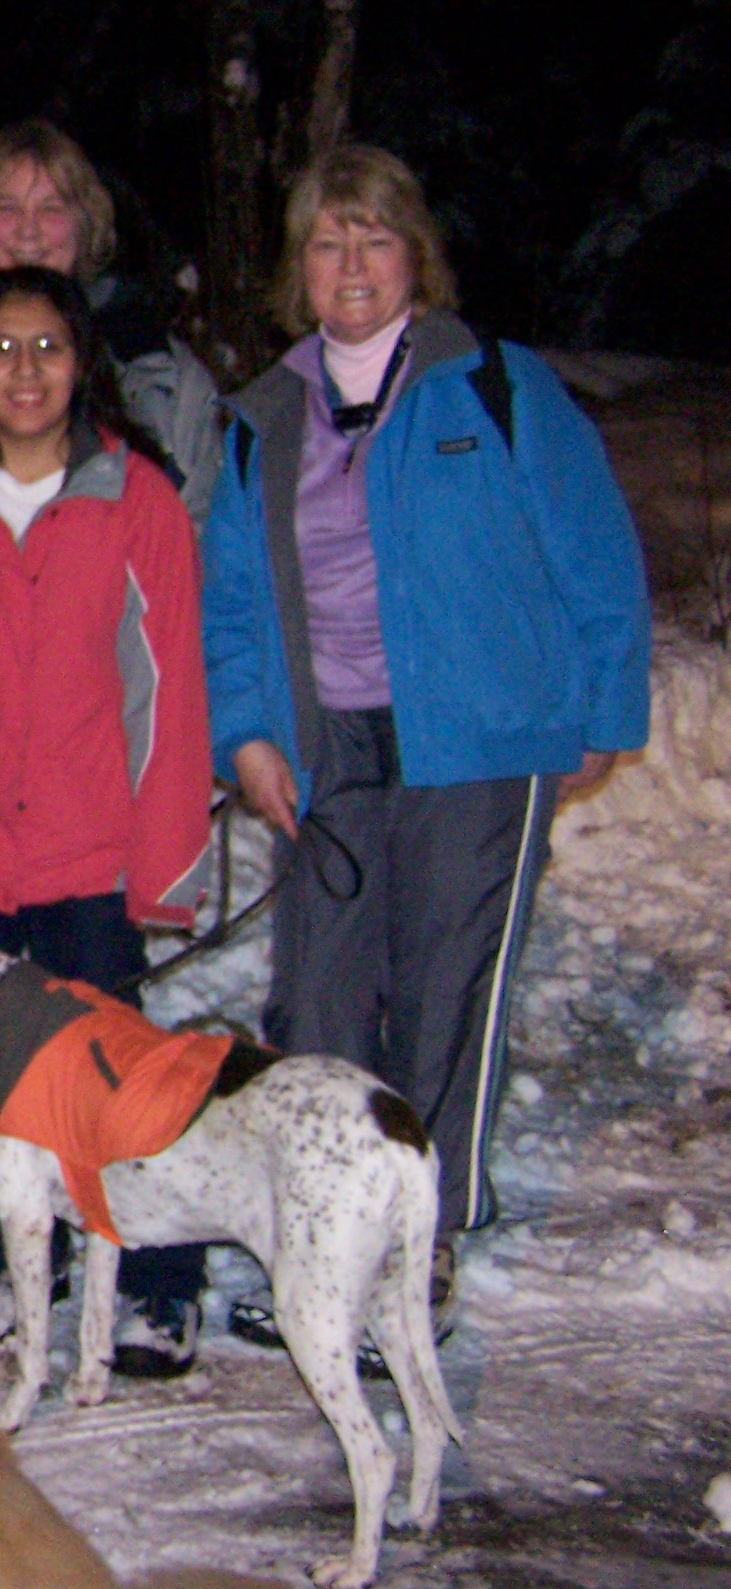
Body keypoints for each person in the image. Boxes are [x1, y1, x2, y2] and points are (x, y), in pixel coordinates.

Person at [203, 143, 650, 1343]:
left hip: (480, 738)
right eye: (326, 241)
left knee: (447, 991)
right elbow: (230, 606)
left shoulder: (493, 386)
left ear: (415, 255)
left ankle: (419, 1244)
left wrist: (604, 711)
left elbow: (593, 550)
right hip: (327, 743)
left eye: (374, 238)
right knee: (321, 996)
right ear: (297, 268)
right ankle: (326, 1238)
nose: (350, 263)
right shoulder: (262, 418)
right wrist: (246, 737)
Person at [0, 266, 215, 1375]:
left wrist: (164, 863)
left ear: (81, 363)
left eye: (48, 348)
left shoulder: (136, 498)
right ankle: (14, 1260)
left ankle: (158, 1281)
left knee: (110, 1076)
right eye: (2, 349)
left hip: (86, 849)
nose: (25, 372)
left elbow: (167, 690)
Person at [0, 119, 223, 521]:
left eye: (51, 208)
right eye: (7, 208)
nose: (28, 230)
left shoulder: (156, 369)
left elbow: (201, 525)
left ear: (85, 224)